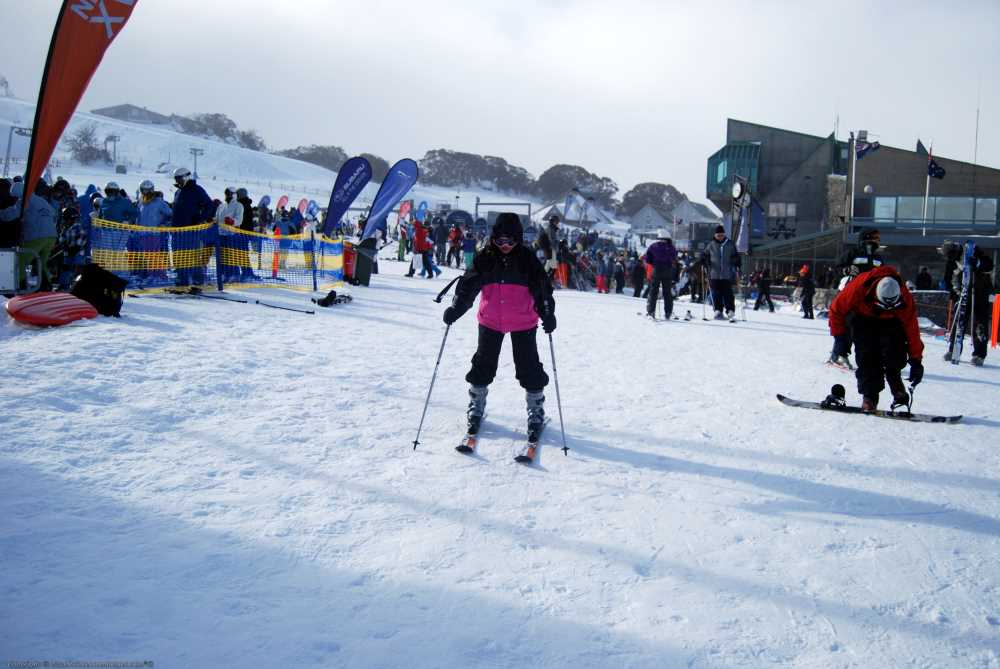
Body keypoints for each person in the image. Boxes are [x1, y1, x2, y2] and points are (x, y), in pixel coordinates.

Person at [443, 213, 555, 452]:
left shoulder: (527, 259)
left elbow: (542, 290)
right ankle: (476, 405)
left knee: (528, 366)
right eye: (500, 241)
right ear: (494, 239)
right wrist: (456, 309)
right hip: (491, 320)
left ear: (519, 239)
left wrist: (547, 313)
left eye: (510, 241)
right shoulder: (486, 258)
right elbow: (468, 286)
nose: (505, 246)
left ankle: (536, 410)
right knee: (483, 364)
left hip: (523, 321)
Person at [828, 266, 924, 411]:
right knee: (867, 358)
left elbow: (912, 329)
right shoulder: (859, 287)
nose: (886, 308)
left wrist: (916, 360)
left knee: (895, 353)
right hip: (864, 320)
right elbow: (836, 310)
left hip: (892, 323)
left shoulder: (905, 296)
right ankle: (870, 397)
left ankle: (898, 390)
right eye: (883, 305)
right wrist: (840, 338)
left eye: (891, 305)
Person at [944, 244, 995, 366]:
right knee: (958, 323)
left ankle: (979, 354)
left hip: (980, 294)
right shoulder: (953, 261)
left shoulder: (975, 253)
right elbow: (949, 278)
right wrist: (954, 291)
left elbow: (989, 265)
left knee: (980, 324)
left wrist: (977, 263)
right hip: (962, 294)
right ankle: (953, 350)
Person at [171, 167, 215, 286]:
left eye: (179, 179)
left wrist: (199, 218)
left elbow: (209, 206)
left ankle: (198, 281)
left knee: (192, 256)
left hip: (191, 231)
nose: (178, 182)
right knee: (178, 256)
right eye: (176, 179)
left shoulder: (196, 190)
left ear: (186, 177)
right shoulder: (178, 192)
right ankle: (182, 280)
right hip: (177, 231)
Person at [14, 179, 57, 289]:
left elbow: (11, 214)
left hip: (36, 236)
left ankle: (21, 285)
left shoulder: (23, 201)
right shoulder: (41, 200)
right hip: (51, 236)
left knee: (21, 260)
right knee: (42, 262)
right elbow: (53, 212)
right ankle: (47, 285)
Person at [136, 180, 172, 284]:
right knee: (147, 255)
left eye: (148, 190)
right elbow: (138, 216)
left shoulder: (159, 202)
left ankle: (160, 275)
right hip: (142, 233)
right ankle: (151, 274)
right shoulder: (141, 202)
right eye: (144, 190)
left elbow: (170, 214)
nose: (146, 192)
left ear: (152, 190)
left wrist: (164, 224)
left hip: (154, 233)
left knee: (155, 255)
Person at [703, 224, 740, 320]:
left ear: (724, 234)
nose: (720, 237)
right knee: (716, 293)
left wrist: (736, 261)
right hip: (714, 274)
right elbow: (705, 254)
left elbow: (736, 255)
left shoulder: (730, 244)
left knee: (728, 293)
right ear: (715, 235)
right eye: (718, 235)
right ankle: (718, 310)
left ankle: (730, 310)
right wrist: (705, 260)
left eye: (721, 235)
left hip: (726, 274)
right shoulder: (711, 244)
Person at [645, 230, 677, 318]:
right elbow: (674, 257)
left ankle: (651, 311)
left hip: (656, 270)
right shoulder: (671, 247)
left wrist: (654, 263)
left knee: (653, 291)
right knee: (667, 292)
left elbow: (647, 259)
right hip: (667, 270)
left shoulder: (653, 246)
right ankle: (668, 312)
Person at [215, 186, 245, 284]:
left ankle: (234, 275)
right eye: (226, 193)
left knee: (232, 255)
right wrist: (212, 220)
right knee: (222, 256)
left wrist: (233, 221)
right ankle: (224, 274)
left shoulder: (238, 205)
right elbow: (217, 218)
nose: (227, 195)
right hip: (221, 234)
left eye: (229, 194)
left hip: (233, 234)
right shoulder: (221, 206)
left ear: (234, 194)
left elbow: (239, 219)